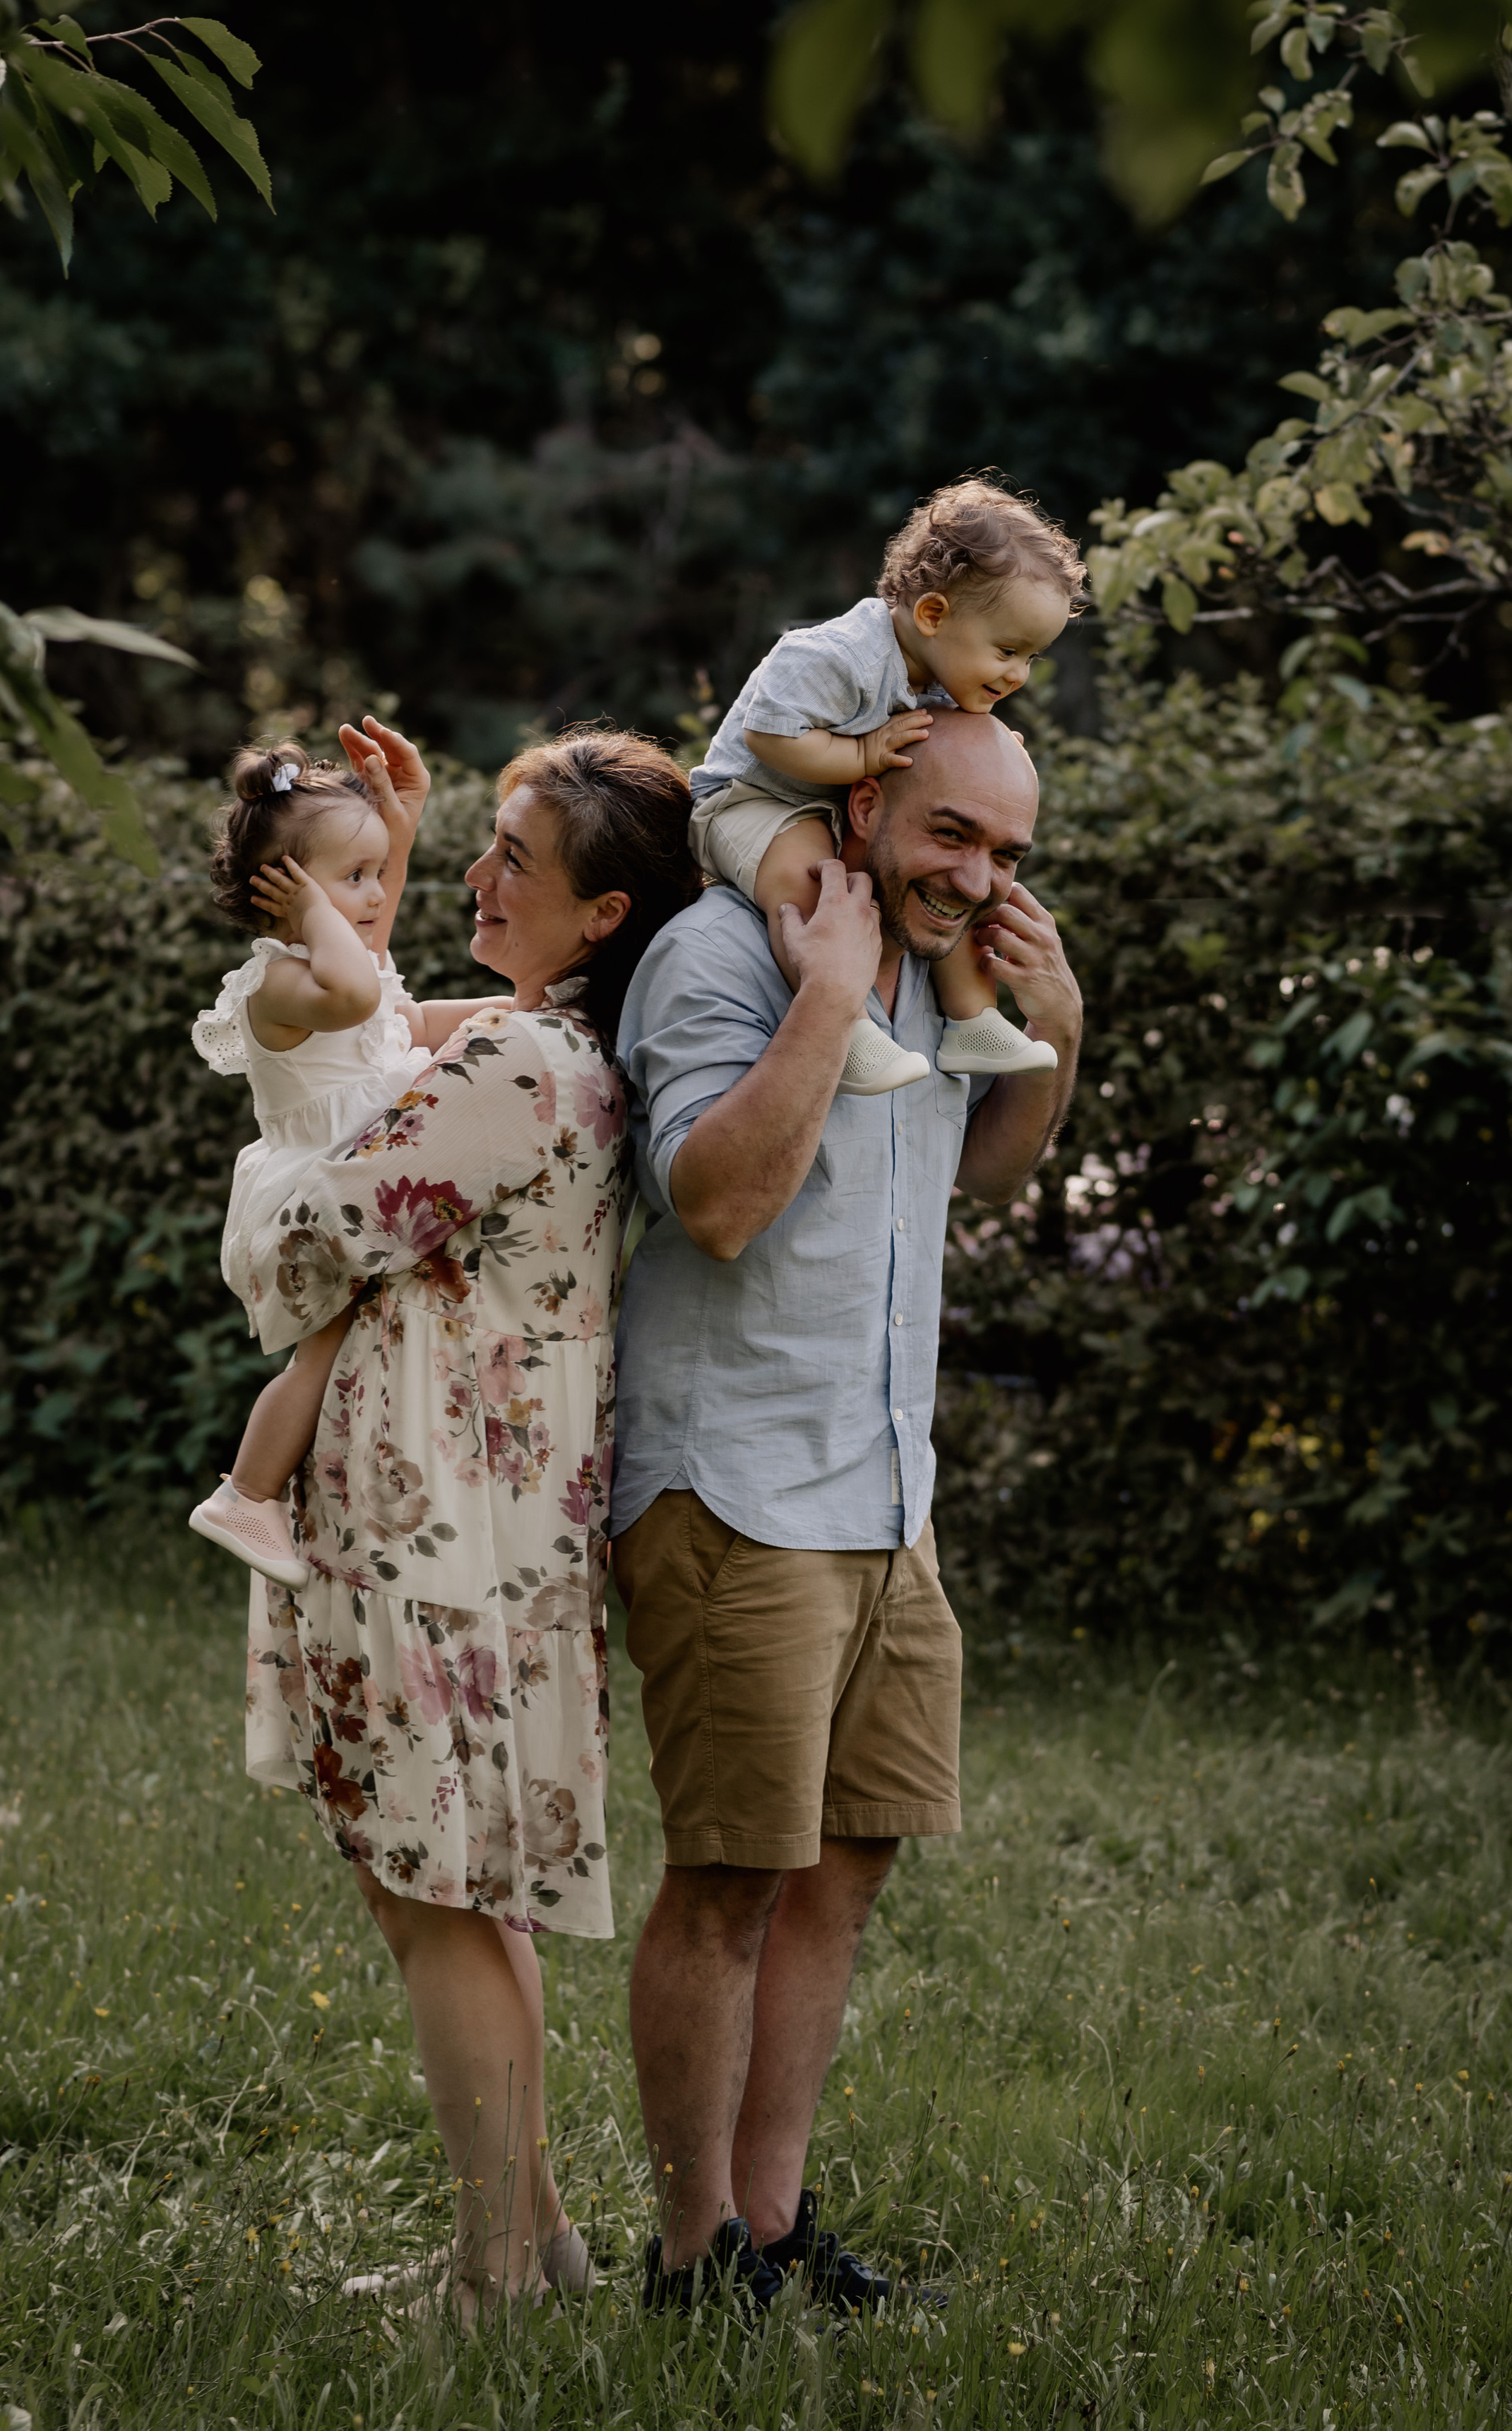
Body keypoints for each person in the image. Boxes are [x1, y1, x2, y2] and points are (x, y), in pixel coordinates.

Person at [611, 702, 1083, 2317]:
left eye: (1008, 851)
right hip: (731, 1487)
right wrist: (825, 991)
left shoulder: (940, 983)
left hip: (886, 1491)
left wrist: (1053, 1032)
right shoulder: (719, 955)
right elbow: (718, 1204)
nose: (977, 873)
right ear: (868, 795)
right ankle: (689, 2261)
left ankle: (770, 2217)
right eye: (951, 833)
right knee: (728, 1877)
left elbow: (983, 1179)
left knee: (844, 1860)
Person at [237, 730, 701, 2319]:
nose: (475, 881)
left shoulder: (517, 1067)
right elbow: (374, 1040)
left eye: (515, 861)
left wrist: (263, 1178)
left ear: (602, 917)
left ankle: (496, 2274)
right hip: (491, 1501)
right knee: (455, 1882)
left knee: (426, 1890)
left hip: (428, 1498)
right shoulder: (554, 1049)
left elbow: (313, 1236)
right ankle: (537, 2245)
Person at [186, 720, 483, 1585]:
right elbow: (357, 994)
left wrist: (404, 821)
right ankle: (246, 1492)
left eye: (373, 876)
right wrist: (314, 908)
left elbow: (380, 983)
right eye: (350, 880)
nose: (371, 894)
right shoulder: (281, 983)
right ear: (281, 894)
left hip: (361, 1185)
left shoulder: (346, 957)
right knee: (325, 1344)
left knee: (364, 1339)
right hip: (315, 1197)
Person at [689, 476, 1081, 1095]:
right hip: (749, 800)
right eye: (1008, 650)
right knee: (813, 882)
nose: (1018, 674)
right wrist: (864, 753)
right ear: (932, 614)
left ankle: (974, 1022)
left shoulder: (941, 668)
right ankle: (842, 1024)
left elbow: (941, 743)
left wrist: (994, 748)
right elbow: (768, 733)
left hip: (827, 804)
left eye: (1031, 657)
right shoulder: (838, 656)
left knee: (953, 887)